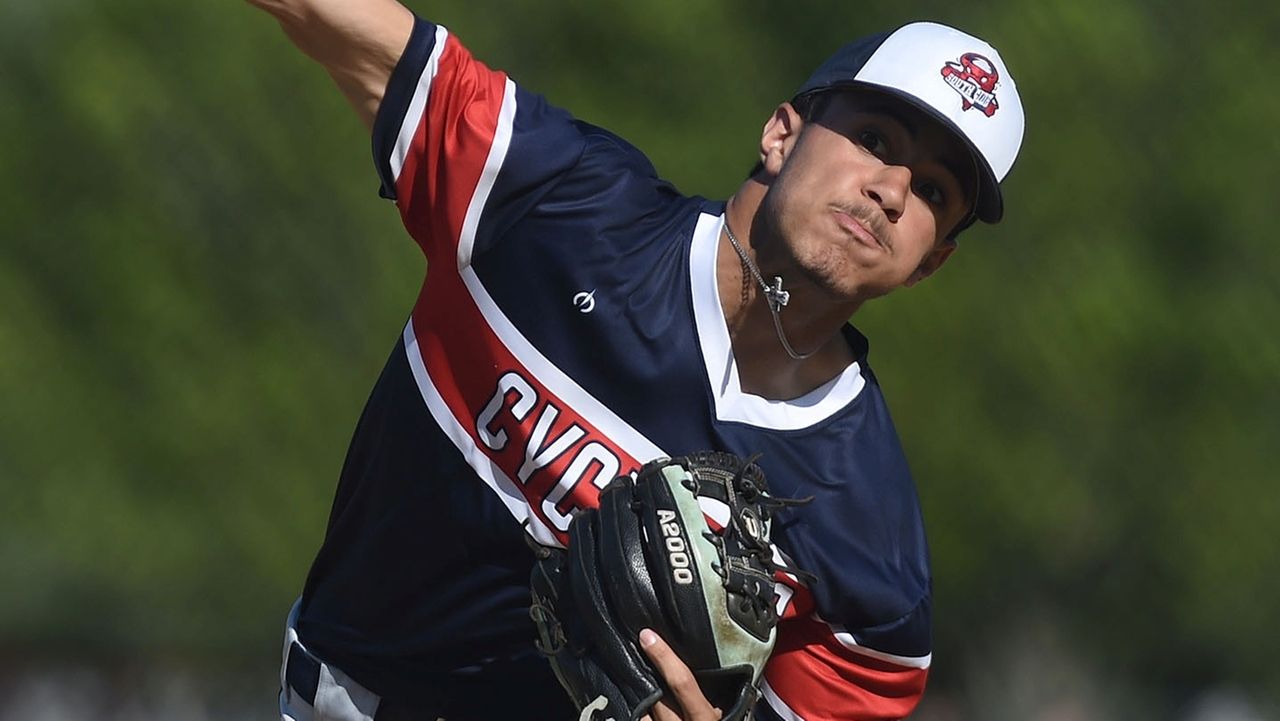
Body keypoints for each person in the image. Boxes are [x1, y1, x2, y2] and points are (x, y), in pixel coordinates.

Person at [248, 1, 1025, 719]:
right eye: (877, 140)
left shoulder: (872, 556)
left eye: (932, 190)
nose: (891, 190)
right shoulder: (555, 206)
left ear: (932, 261)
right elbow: (343, 23)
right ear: (781, 132)